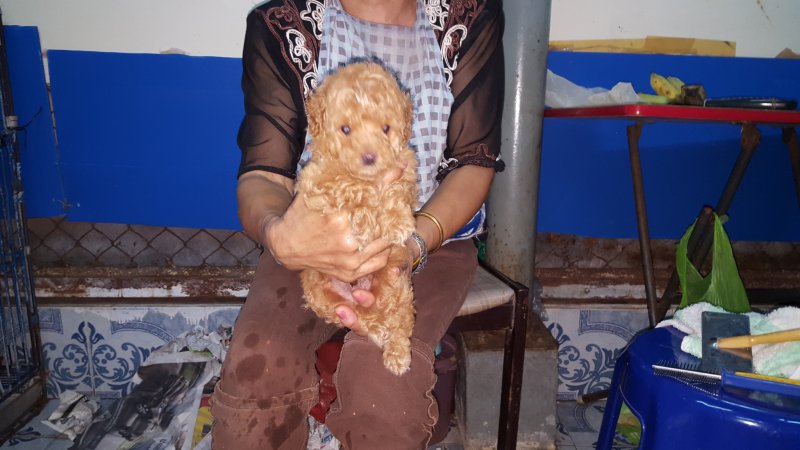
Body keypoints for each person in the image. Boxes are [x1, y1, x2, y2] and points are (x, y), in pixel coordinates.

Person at [210, 0, 505, 448]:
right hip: (315, 237)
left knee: (382, 382)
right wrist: (281, 237)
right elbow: (264, 176)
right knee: (260, 366)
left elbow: (473, 162)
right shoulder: (285, 26)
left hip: (433, 234)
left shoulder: (466, 16)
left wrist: (410, 246)